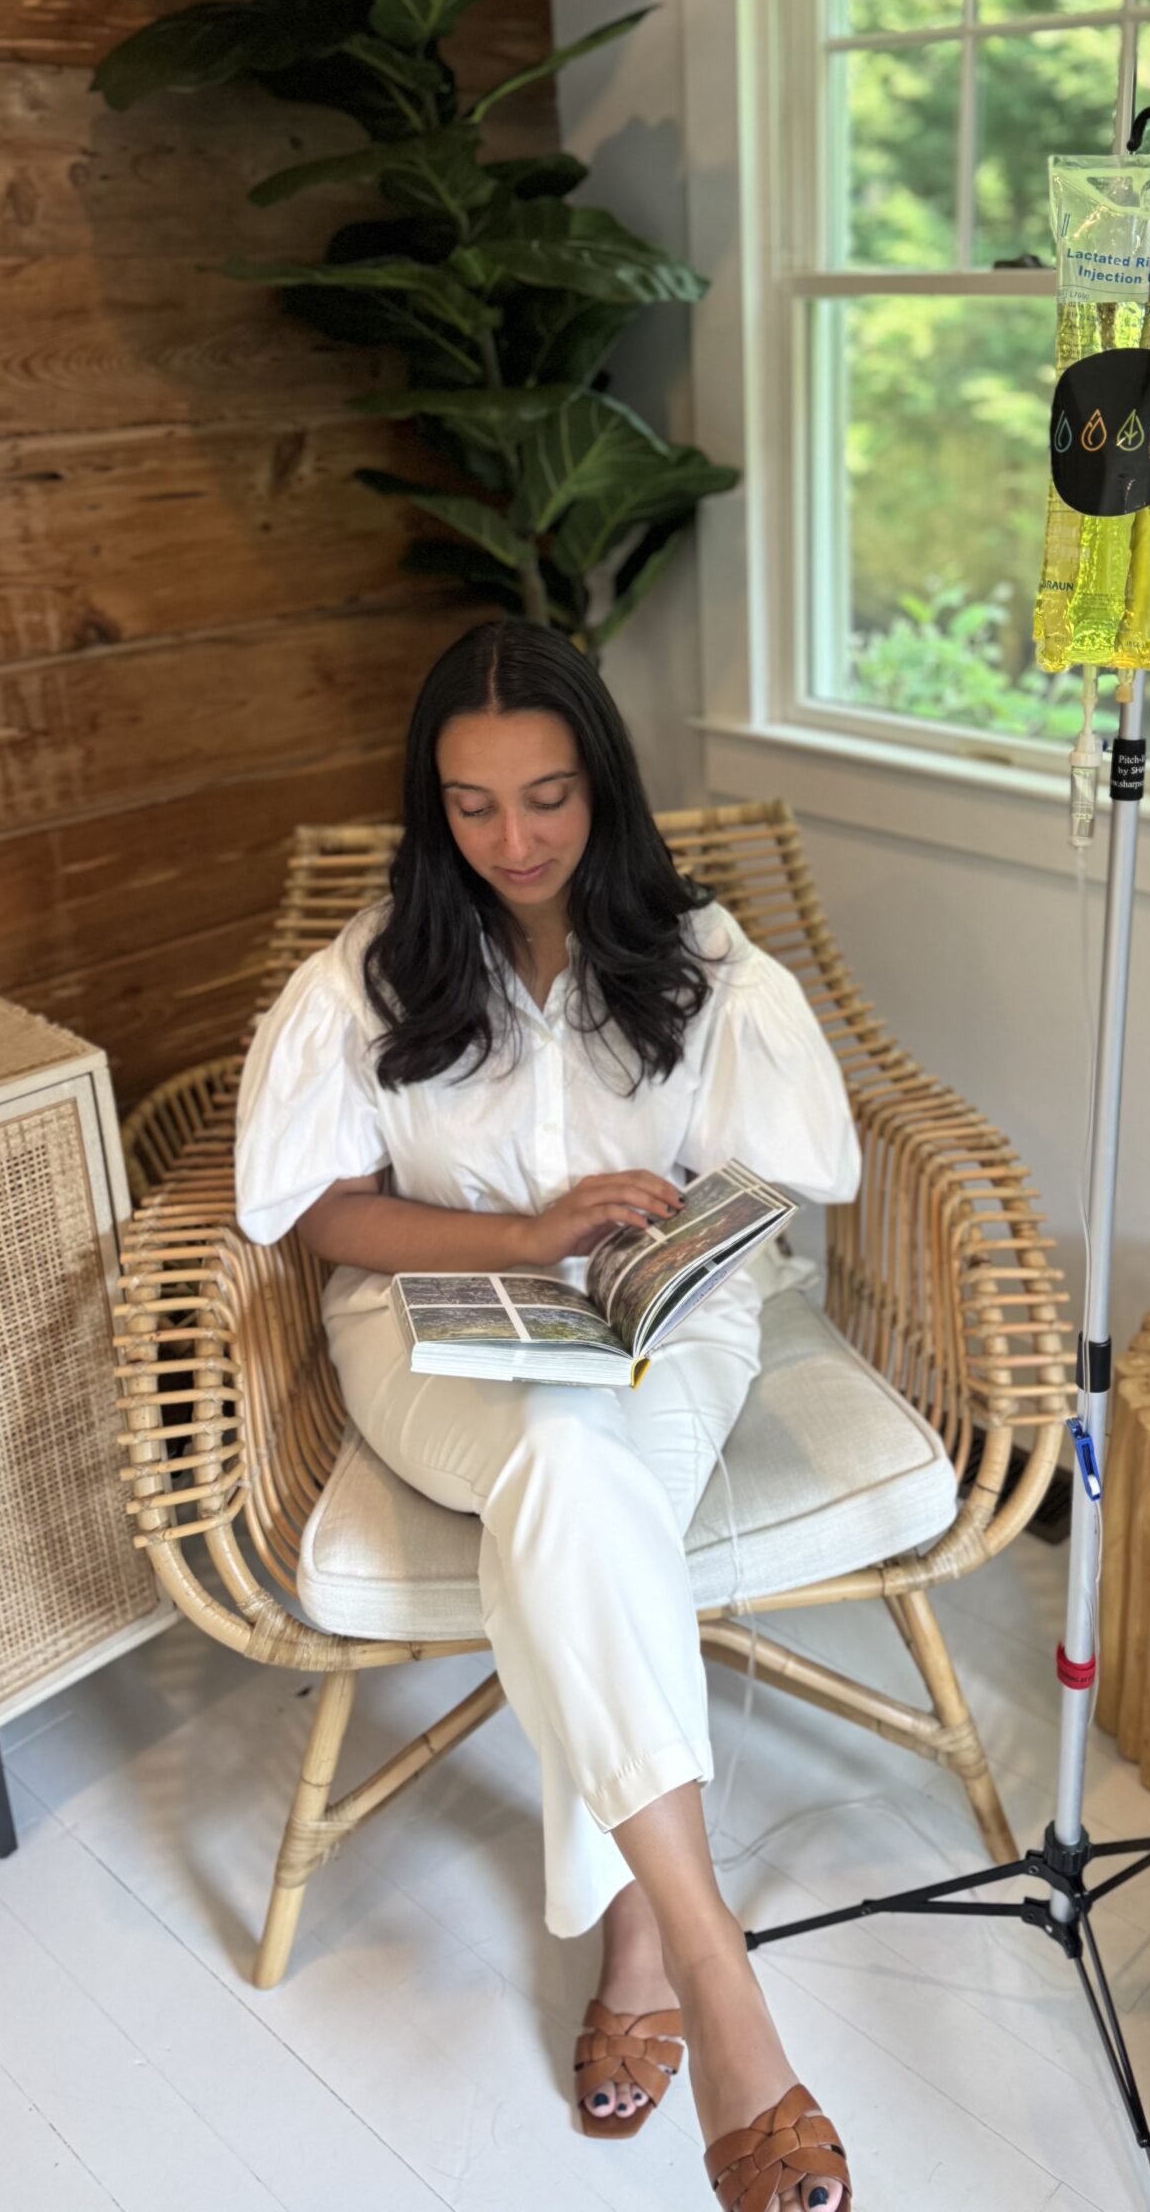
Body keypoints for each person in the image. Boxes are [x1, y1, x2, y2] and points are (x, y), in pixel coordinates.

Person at [233, 617, 860, 2212]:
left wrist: (650, 1242)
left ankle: (655, 1946)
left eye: (550, 797)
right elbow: (320, 1218)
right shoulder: (375, 974)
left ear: (606, 789)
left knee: (582, 1476)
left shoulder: (700, 961)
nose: (513, 841)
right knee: (570, 1470)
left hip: (666, 1335)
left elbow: (782, 1173)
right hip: (432, 1340)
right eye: (473, 804)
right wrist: (519, 1239)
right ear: (429, 805)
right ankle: (710, 1977)